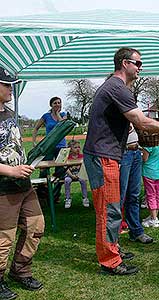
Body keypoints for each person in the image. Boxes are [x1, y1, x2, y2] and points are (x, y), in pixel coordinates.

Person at [83, 47, 159, 276]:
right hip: (103, 156)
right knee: (108, 209)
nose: (141, 68)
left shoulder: (116, 87)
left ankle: (113, 249)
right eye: (138, 63)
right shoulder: (116, 87)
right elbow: (141, 121)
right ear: (124, 63)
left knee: (113, 206)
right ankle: (110, 261)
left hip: (107, 155)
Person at [0, 67, 44, 299]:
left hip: (23, 185)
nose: (11, 89)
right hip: (3, 188)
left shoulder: (8, 112)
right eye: (6, 85)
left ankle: (20, 270)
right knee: (3, 238)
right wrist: (10, 170)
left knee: (36, 227)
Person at [119, 124, 153, 243]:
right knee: (120, 196)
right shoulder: (119, 108)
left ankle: (136, 232)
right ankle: (112, 236)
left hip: (136, 153)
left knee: (134, 195)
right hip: (123, 153)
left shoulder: (131, 107)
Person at [32, 96, 68, 202]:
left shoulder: (63, 115)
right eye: (55, 103)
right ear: (51, 105)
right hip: (49, 147)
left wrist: (57, 114)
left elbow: (63, 125)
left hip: (61, 147)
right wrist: (34, 142)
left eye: (59, 103)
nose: (57, 105)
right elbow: (36, 128)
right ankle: (42, 194)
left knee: (61, 172)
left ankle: (55, 196)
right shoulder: (46, 116)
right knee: (44, 170)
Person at [141, 142, 159, 228]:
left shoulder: (148, 145)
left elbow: (145, 159)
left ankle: (153, 220)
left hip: (148, 172)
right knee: (157, 195)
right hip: (157, 172)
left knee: (150, 195)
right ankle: (154, 216)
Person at [64, 140, 89, 209]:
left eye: (79, 147)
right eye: (75, 147)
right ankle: (68, 199)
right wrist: (71, 175)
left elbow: (83, 167)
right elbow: (65, 168)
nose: (78, 149)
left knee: (83, 180)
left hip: (79, 174)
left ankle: (85, 198)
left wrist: (79, 174)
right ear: (70, 149)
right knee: (67, 181)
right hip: (69, 174)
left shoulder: (81, 156)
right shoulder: (67, 157)